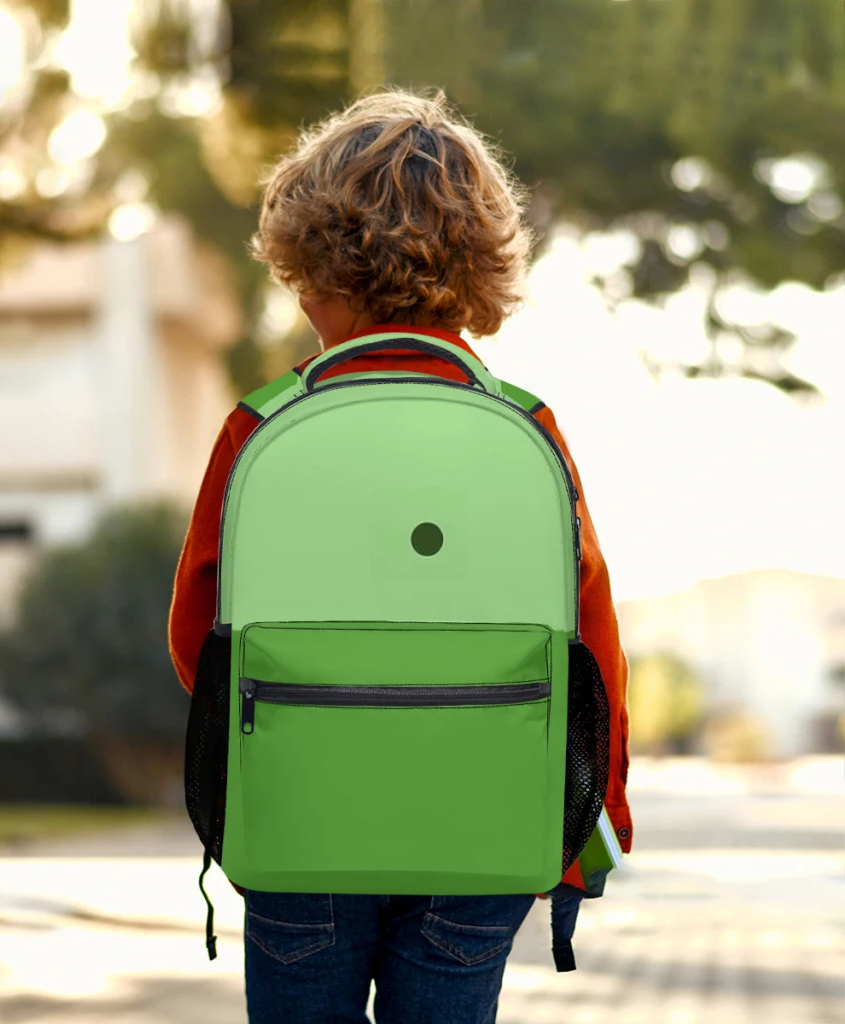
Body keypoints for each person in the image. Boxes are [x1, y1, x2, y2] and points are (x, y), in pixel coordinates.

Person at [168, 87, 631, 1024]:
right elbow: (591, 641)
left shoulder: (262, 426)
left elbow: (194, 640)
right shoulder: (527, 428)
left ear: (310, 268)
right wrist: (594, 820)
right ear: (482, 268)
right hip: (481, 832)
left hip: (302, 828)